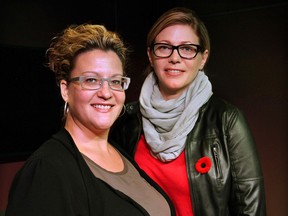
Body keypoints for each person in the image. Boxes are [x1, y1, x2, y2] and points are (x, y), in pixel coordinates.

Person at [109, 7, 266, 216]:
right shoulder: (126, 120)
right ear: (150, 55)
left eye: (187, 48)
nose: (175, 58)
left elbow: (251, 209)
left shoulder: (226, 120)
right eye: (164, 47)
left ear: (203, 58)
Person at [5, 24, 176, 216]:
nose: (106, 93)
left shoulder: (119, 152)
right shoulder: (46, 169)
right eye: (91, 80)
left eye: (115, 81)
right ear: (65, 90)